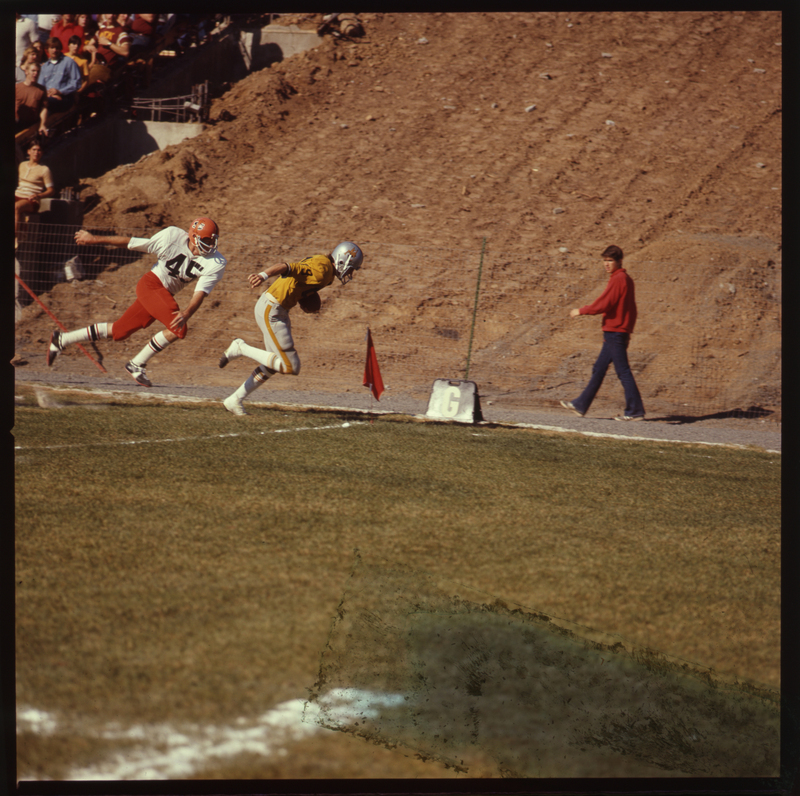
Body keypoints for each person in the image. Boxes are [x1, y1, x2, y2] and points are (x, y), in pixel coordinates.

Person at [47, 218, 226, 388]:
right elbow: (131, 242)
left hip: (162, 294)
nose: (211, 245)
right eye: (207, 240)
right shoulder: (172, 236)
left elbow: (200, 293)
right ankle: (137, 364)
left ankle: (62, 339)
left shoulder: (216, 262)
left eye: (213, 240)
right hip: (151, 284)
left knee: (119, 332)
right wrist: (95, 239)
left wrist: (187, 313)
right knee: (178, 328)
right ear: (193, 237)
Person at [218, 241, 364, 415]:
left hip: (279, 309)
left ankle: (234, 400)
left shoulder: (326, 269)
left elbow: (298, 280)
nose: (350, 273)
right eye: (351, 268)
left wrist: (305, 295)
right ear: (342, 260)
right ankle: (240, 347)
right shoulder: (323, 270)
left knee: (273, 365)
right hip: (272, 308)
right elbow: (287, 267)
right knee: (290, 365)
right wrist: (264, 275)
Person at [560, 245, 645, 421]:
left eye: (610, 261)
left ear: (619, 261)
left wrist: (581, 311)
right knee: (599, 368)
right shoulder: (624, 279)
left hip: (615, 332)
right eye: (605, 260)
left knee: (623, 371)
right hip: (616, 332)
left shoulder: (619, 279)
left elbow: (605, 303)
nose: (606, 264)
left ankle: (635, 410)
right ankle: (580, 405)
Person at [39, 37, 83, 133]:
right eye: (52, 48)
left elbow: (76, 82)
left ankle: (43, 129)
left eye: (57, 48)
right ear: (47, 49)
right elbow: (40, 86)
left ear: (60, 49)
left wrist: (60, 92)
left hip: (64, 98)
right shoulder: (44, 67)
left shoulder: (69, 62)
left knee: (46, 103)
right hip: (49, 98)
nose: (55, 50)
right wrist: (47, 94)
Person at [15, 139, 55, 240]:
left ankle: (14, 236)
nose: (36, 153)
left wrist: (39, 196)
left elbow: (51, 190)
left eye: (39, 150)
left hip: (31, 200)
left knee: (16, 207)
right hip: (18, 194)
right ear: (28, 151)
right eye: (34, 150)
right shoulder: (22, 165)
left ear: (42, 153)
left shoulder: (44, 170)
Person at [15, 62, 47, 134]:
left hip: (31, 124)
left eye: (38, 71)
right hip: (16, 122)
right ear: (26, 72)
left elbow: (44, 108)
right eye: (33, 71)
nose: (36, 73)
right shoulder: (17, 87)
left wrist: (43, 125)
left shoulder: (41, 89)